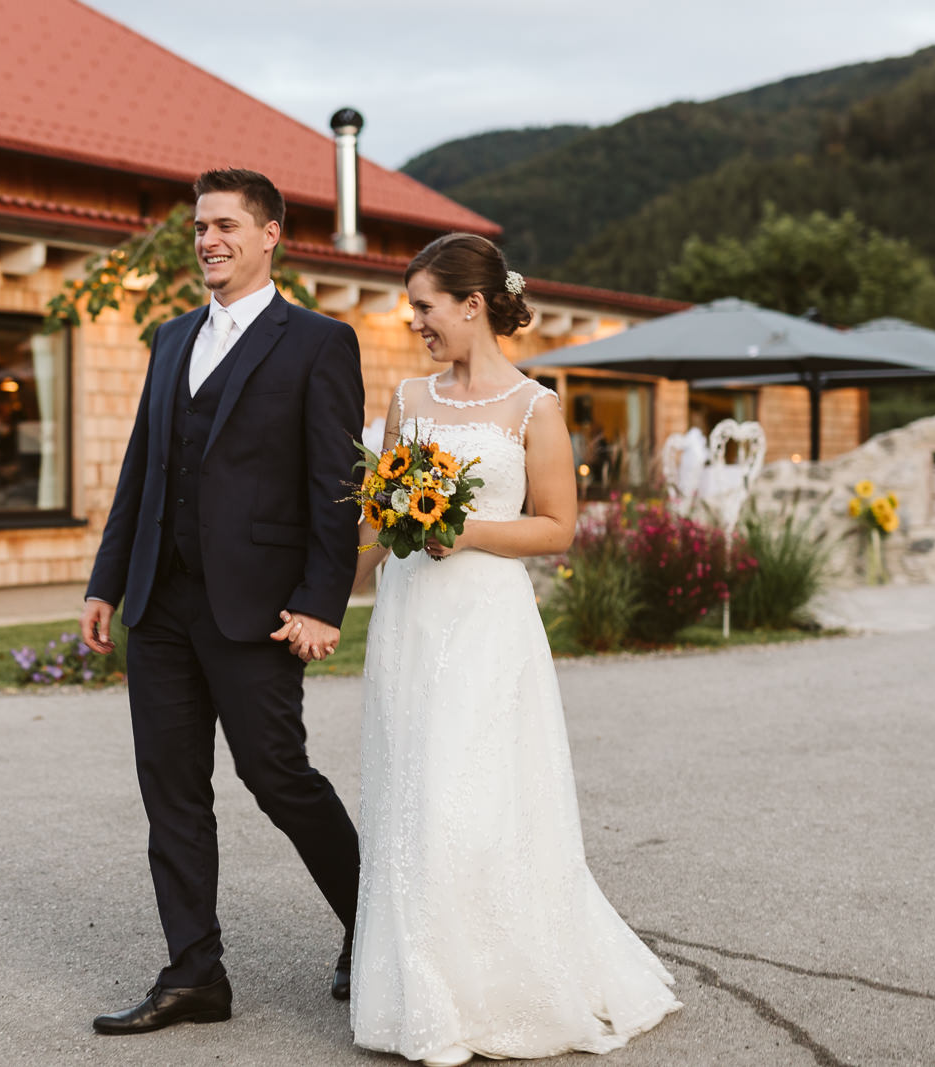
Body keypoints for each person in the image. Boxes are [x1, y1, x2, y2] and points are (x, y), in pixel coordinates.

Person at [350, 234, 681, 1065]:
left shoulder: (536, 407)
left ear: (473, 305)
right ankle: (425, 996)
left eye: (425, 306)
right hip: (410, 616)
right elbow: (377, 519)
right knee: (410, 790)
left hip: (486, 623)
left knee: (471, 794)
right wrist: (345, 565)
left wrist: (463, 529)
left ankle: (497, 987)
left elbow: (558, 526)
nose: (415, 322)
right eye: (412, 308)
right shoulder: (407, 398)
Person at [80, 168, 366, 1036]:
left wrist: (323, 601)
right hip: (160, 602)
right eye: (201, 226)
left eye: (226, 225)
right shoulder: (171, 337)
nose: (208, 239)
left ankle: (375, 924)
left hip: (259, 607)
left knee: (278, 775)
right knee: (170, 786)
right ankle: (194, 972)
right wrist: (106, 580)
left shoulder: (319, 342)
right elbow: (141, 467)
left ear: (271, 234)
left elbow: (336, 486)